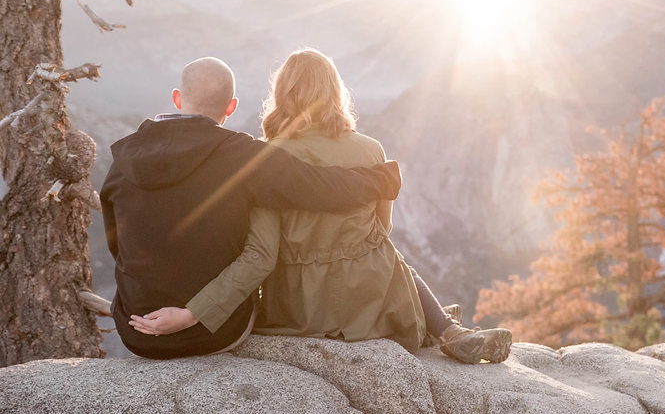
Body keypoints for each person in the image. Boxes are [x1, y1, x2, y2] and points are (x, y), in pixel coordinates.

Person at [130, 49, 512, 364]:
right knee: (388, 251)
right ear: (335, 93)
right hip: (372, 300)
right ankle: (446, 328)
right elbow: (383, 228)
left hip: (300, 308)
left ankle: (445, 326)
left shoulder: (267, 159)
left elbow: (261, 255)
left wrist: (197, 312)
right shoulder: (370, 149)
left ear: (282, 96)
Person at [100, 56, 402, 359]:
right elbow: (318, 186)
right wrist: (381, 178)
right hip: (213, 332)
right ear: (231, 107)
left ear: (177, 99)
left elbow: (118, 247)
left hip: (136, 329)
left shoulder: (123, 160)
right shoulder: (242, 156)